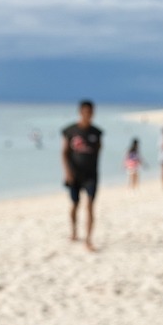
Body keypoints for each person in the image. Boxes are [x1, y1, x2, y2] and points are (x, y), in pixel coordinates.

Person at [62, 100, 102, 250]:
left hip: (91, 175)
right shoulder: (70, 131)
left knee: (90, 205)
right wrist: (67, 172)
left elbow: (98, 153)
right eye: (85, 112)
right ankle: (73, 231)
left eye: (90, 112)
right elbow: (64, 153)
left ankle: (88, 239)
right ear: (80, 112)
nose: (88, 115)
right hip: (74, 175)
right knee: (75, 204)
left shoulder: (97, 133)